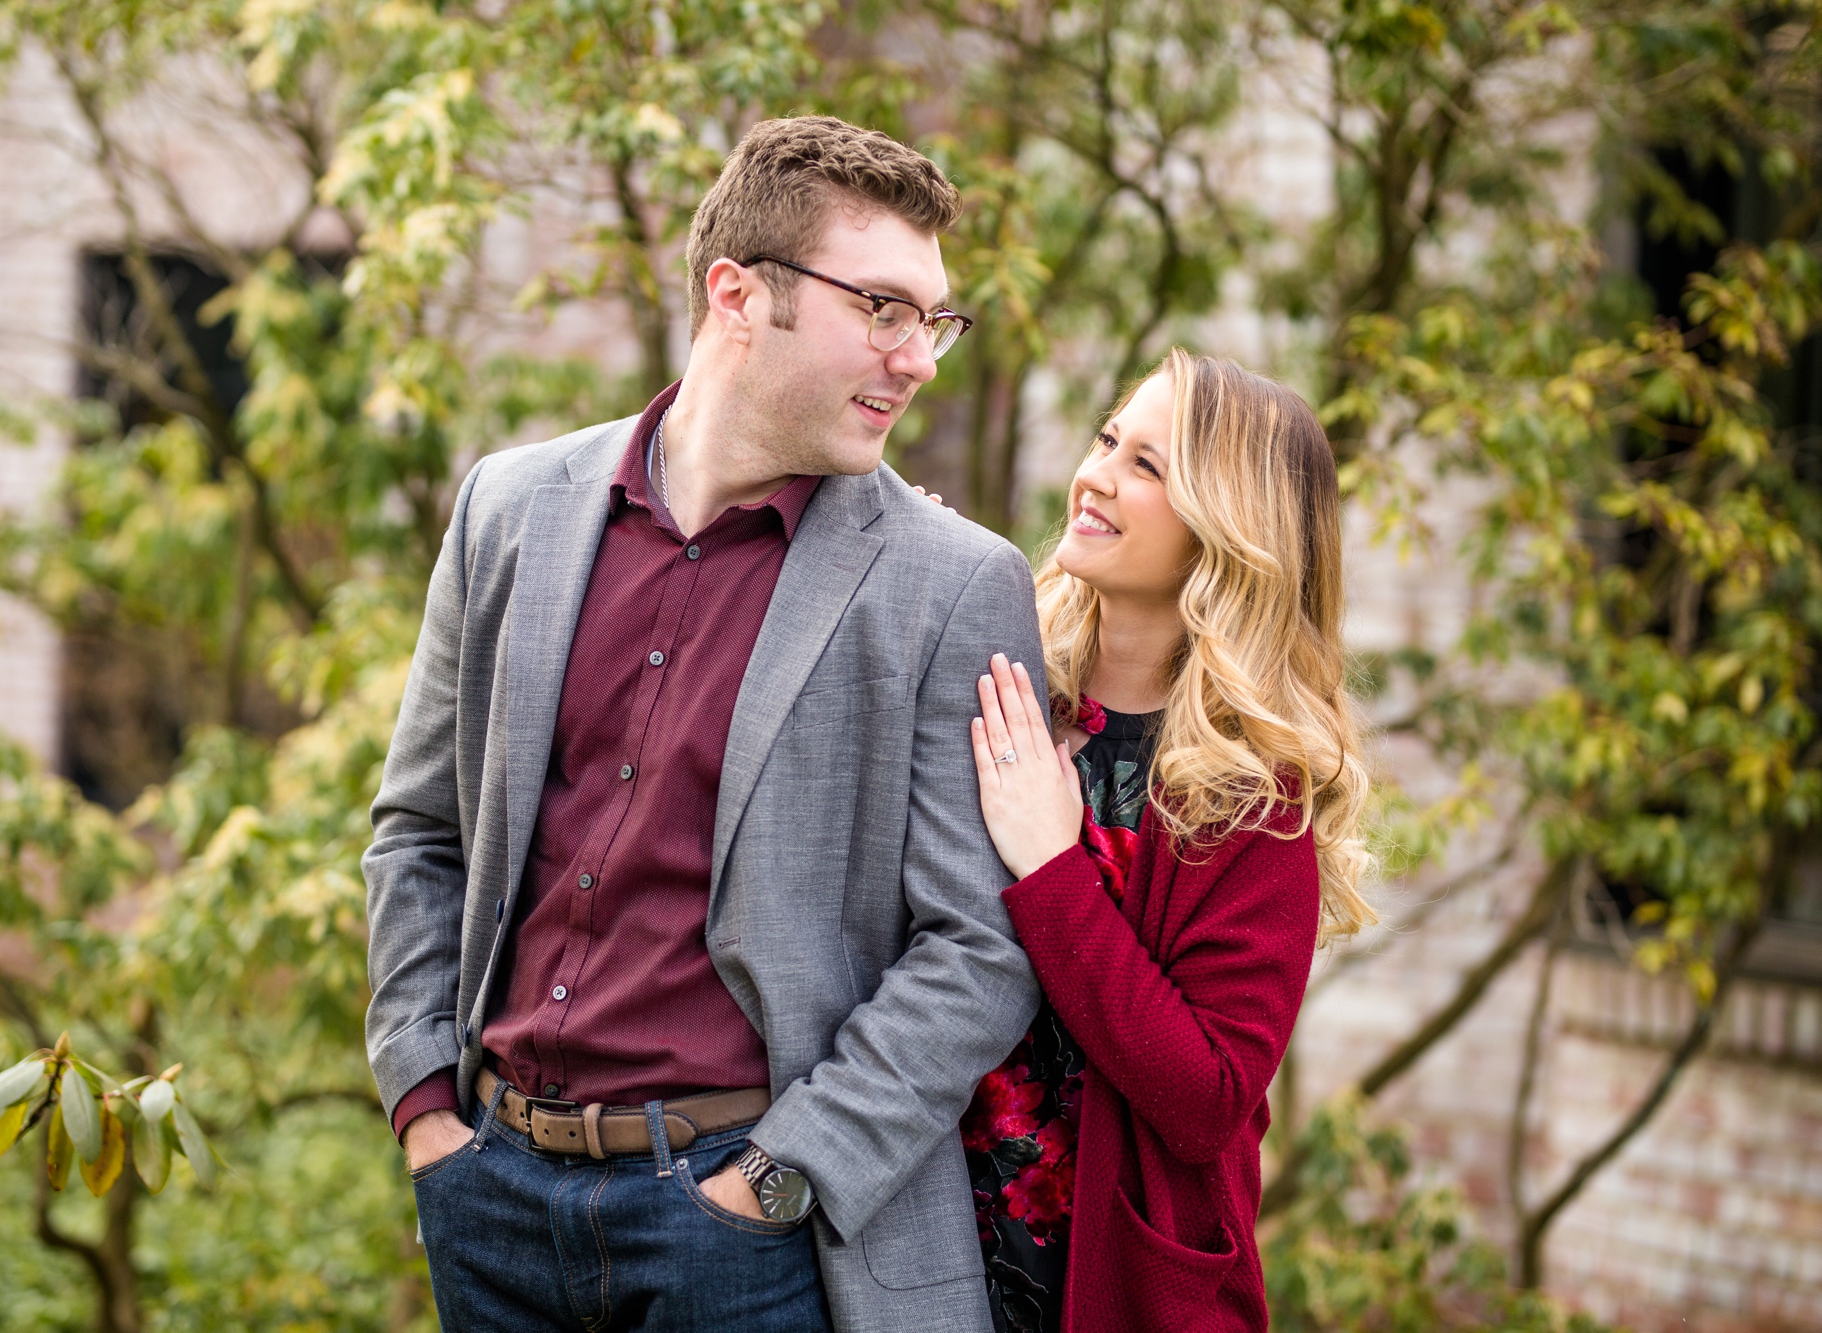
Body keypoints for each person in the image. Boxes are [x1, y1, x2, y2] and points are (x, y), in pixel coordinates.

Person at [363, 115, 1044, 1333]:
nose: (917, 357)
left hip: (752, 1239)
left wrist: (774, 1180)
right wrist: (424, 1108)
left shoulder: (951, 583)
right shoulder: (508, 508)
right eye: (882, 309)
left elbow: (977, 950)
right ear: (739, 293)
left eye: (933, 319)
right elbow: (420, 829)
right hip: (490, 1199)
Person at [961, 348, 1377, 1332]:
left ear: (1226, 531)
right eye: (1108, 439)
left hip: (1111, 1287)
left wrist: (1055, 867)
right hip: (930, 1256)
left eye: (1147, 466)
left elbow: (1205, 1095)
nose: (1095, 473)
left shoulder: (1252, 794)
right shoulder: (1014, 691)